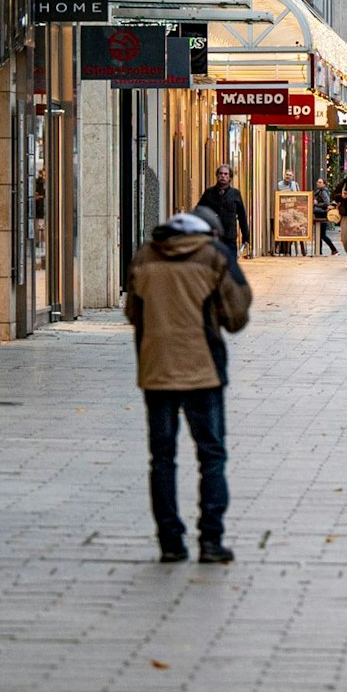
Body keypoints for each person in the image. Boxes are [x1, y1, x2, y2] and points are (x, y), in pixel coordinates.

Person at [122, 209, 252, 564]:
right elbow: (237, 314)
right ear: (210, 230)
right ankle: (210, 540)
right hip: (203, 370)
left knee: (162, 458)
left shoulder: (145, 254)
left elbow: (133, 311)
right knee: (211, 454)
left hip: (156, 369)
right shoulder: (215, 255)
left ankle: (170, 541)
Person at [194, 165, 248, 257]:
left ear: (230, 177)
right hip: (213, 237)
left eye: (226, 174)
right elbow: (198, 212)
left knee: (230, 267)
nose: (223, 176)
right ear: (217, 176)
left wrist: (246, 237)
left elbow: (242, 216)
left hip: (229, 237)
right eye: (221, 174)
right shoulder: (209, 193)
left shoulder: (235, 194)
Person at [313, 177, 338, 256]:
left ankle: (333, 249)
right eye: (318, 182)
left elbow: (327, 203)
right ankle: (319, 251)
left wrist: (316, 204)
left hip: (322, 214)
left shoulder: (323, 192)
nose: (318, 183)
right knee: (320, 234)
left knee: (322, 234)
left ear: (324, 184)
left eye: (320, 182)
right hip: (319, 213)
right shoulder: (319, 191)